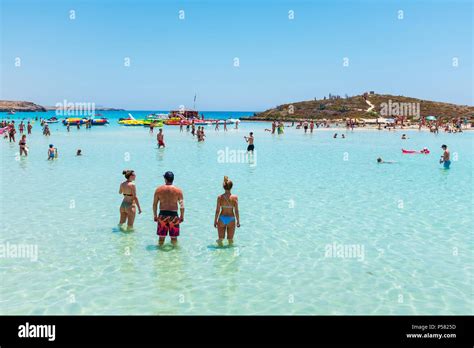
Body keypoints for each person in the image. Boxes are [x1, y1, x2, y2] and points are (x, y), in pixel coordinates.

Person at [153, 171, 184, 246]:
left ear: (165, 179)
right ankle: (175, 255)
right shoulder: (178, 191)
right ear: (173, 179)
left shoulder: (158, 190)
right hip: (174, 216)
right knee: (174, 238)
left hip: (162, 215)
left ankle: (160, 255)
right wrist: (182, 216)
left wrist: (155, 215)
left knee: (161, 238)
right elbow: (182, 206)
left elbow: (155, 204)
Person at [214, 176, 240, 247]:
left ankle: (219, 252)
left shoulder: (220, 197)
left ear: (224, 187)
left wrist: (215, 221)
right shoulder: (235, 197)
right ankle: (230, 255)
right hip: (231, 219)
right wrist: (238, 221)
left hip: (222, 218)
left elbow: (217, 211)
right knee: (230, 240)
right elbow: (236, 211)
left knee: (220, 239)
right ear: (231, 187)